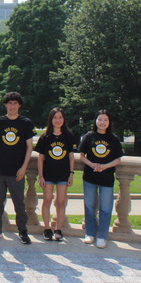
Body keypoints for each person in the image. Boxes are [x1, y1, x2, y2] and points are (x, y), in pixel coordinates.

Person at [0, 91, 35, 244]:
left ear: (19, 105)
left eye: (15, 103)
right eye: (10, 103)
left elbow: (29, 147)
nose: (12, 106)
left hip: (17, 171)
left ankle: (22, 231)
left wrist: (24, 168)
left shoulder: (25, 123)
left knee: (19, 203)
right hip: (0, 170)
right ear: (5, 105)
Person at [79, 109, 124, 249]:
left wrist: (104, 166)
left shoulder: (113, 138)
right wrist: (92, 165)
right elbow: (81, 156)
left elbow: (118, 159)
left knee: (105, 208)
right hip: (90, 177)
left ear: (109, 122)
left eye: (105, 120)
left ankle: (102, 236)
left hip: (107, 178)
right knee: (89, 207)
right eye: (100, 119)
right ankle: (90, 233)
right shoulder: (89, 137)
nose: (102, 122)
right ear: (95, 121)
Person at [34, 107, 76, 241]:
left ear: (64, 119)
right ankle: (47, 228)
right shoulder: (45, 137)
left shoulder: (68, 136)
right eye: (55, 118)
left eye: (60, 117)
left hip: (63, 174)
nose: (58, 120)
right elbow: (41, 158)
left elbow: (71, 156)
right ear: (51, 120)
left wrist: (71, 173)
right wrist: (41, 176)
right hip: (48, 174)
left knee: (61, 202)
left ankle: (58, 229)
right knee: (47, 200)